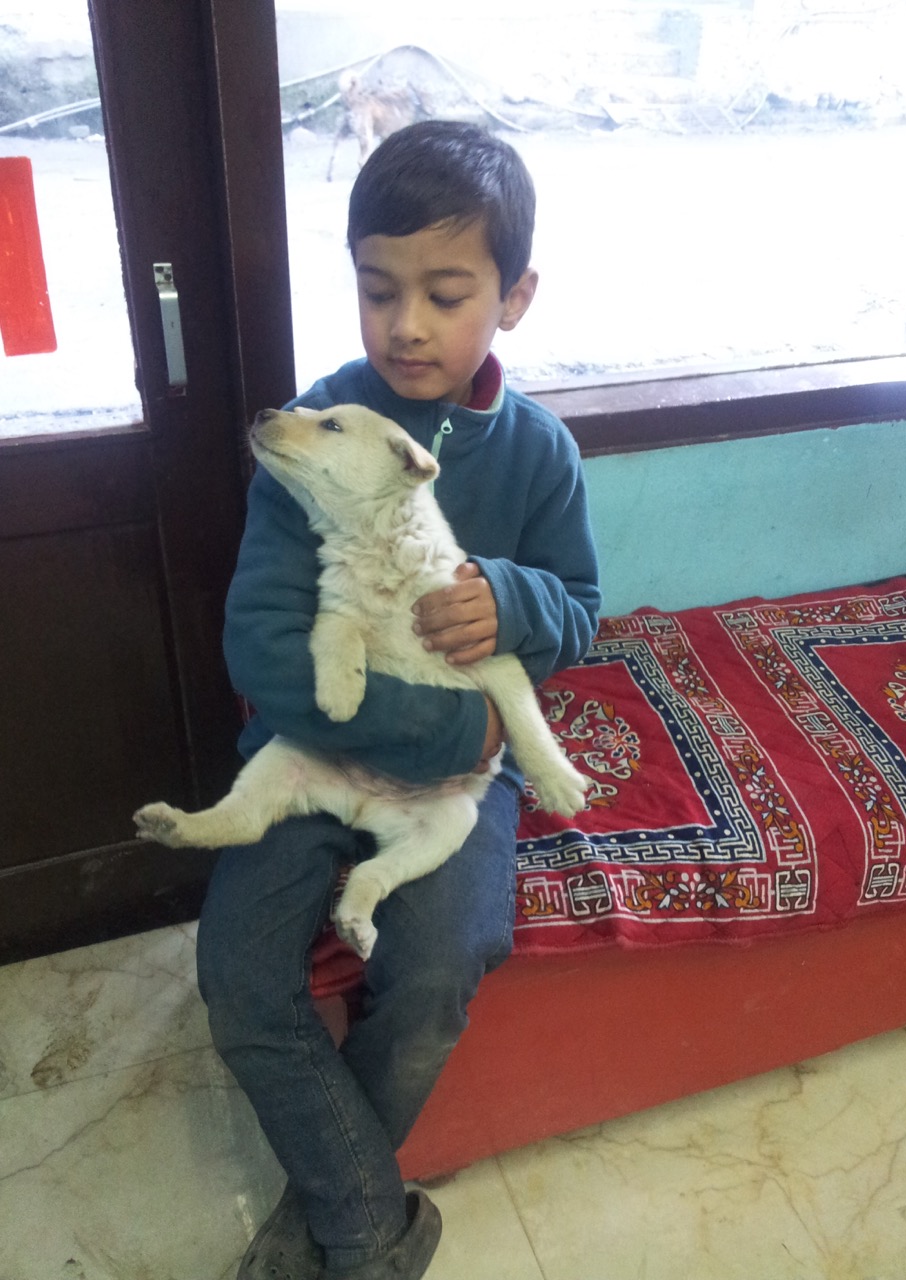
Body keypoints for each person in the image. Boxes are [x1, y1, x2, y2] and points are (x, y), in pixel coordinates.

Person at [196, 120, 601, 1280]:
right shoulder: (311, 430)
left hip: (467, 774)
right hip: (316, 742)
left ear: (513, 296)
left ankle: (326, 1205)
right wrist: (458, 725)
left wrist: (511, 602)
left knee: (438, 965)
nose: (406, 323)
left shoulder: (538, 453)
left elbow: (580, 608)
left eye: (444, 290)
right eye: (378, 289)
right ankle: (373, 1225)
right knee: (235, 970)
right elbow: (268, 651)